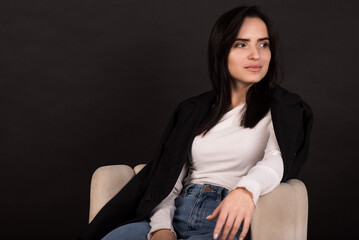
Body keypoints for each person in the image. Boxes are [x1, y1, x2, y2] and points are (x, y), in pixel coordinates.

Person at [78, 5, 313, 240]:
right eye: (241, 44)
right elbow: (169, 178)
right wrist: (161, 227)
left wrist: (246, 190)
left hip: (224, 219)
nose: (256, 54)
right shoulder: (195, 110)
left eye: (263, 44)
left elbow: (277, 159)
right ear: (221, 52)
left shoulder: (284, 108)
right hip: (176, 213)